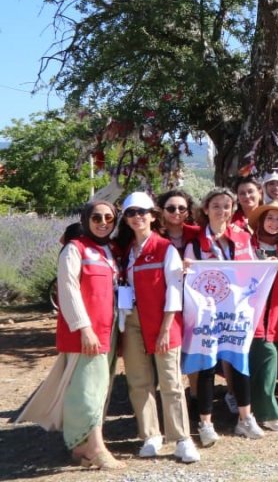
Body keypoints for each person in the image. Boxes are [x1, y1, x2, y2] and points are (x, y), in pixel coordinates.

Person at [17, 201, 125, 469]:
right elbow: (68, 289)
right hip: (87, 333)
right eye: (97, 217)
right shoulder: (74, 249)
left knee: (100, 387)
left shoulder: (109, 250)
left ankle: (80, 447)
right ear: (86, 219)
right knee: (87, 389)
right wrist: (83, 327)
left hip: (108, 330)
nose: (103, 222)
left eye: (109, 218)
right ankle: (95, 449)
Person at [116, 192, 198, 460]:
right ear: (126, 219)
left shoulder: (165, 248)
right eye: (131, 213)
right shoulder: (126, 251)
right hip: (133, 321)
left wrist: (165, 329)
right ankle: (150, 435)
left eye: (142, 212)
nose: (137, 217)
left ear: (153, 216)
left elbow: (174, 290)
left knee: (171, 382)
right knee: (138, 381)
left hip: (164, 322)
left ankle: (182, 439)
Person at [184, 187, 261, 445]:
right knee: (206, 366)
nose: (222, 210)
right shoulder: (195, 243)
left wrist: (271, 268)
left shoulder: (242, 238)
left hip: (235, 313)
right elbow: (187, 277)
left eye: (227, 206)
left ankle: (245, 419)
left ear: (233, 210)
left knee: (239, 362)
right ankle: (205, 424)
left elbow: (253, 270)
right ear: (206, 209)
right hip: (207, 314)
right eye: (216, 205)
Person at [247, 203, 278, 432]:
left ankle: (254, 408)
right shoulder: (248, 246)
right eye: (270, 218)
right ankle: (268, 412)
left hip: (277, 312)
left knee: (268, 359)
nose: (274, 223)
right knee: (267, 355)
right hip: (254, 313)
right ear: (261, 221)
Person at [156, 189, 200, 253]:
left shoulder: (197, 233)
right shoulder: (154, 236)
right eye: (171, 208)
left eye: (181, 208)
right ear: (162, 211)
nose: (177, 212)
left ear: (188, 212)